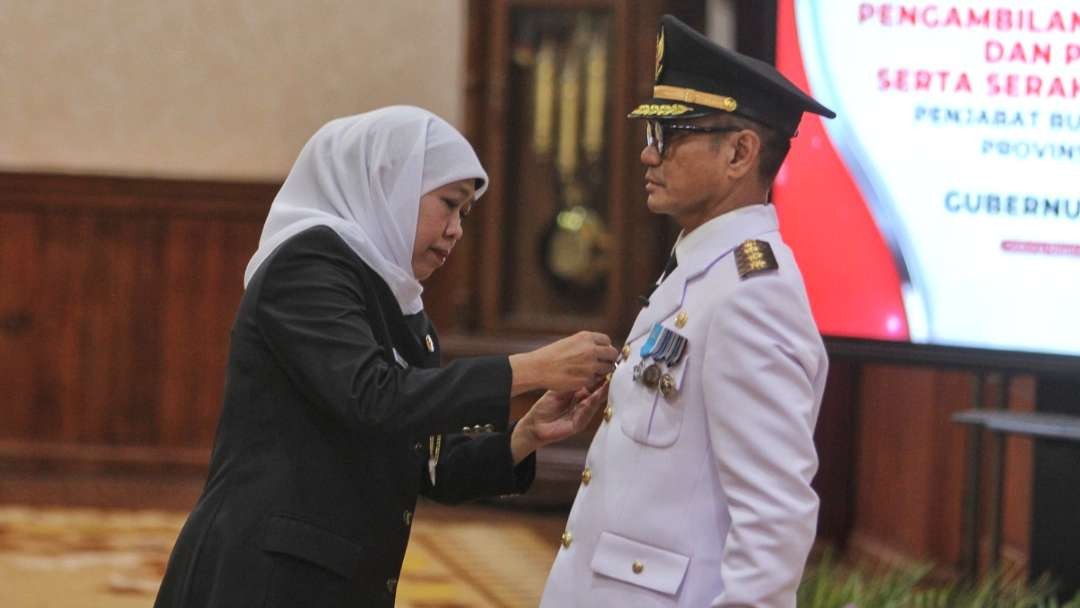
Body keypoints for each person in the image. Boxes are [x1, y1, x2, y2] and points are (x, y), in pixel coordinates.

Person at [153, 106, 617, 608]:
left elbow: (421, 460)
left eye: (466, 212)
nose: (457, 229)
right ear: (387, 182)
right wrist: (526, 369)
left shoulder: (400, 302)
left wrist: (525, 436)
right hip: (263, 580)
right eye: (448, 203)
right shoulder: (307, 265)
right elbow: (371, 398)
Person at [540, 15, 835, 608]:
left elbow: (774, 515)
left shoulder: (753, 295)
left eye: (670, 137)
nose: (649, 156)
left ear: (739, 153)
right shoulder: (703, 271)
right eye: (652, 134)